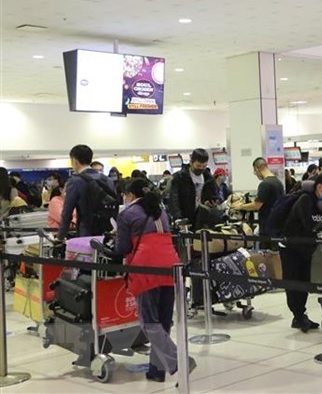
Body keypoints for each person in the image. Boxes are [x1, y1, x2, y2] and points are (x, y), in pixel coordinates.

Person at [114, 178, 195, 382]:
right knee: (163, 320)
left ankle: (179, 360)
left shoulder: (127, 214)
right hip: (171, 266)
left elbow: (122, 248)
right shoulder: (161, 212)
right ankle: (156, 370)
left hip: (146, 268)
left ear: (130, 195)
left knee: (149, 322)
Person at [280, 173, 322, 332]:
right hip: (291, 247)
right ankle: (298, 316)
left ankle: (301, 316)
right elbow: (309, 223)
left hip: (306, 247)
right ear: (320, 187)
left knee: (304, 282)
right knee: (293, 282)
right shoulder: (305, 200)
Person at [57, 145, 116, 240]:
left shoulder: (75, 181)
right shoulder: (107, 180)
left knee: (86, 254)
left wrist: (60, 237)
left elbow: (67, 213)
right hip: (106, 231)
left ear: (74, 161)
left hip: (86, 232)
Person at [231, 157, 284, 234]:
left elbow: (256, 205)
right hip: (277, 223)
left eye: (255, 172)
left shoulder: (265, 184)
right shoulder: (278, 182)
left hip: (267, 225)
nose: (256, 174)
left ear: (257, 169)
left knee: (266, 246)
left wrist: (240, 206)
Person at [168, 148, 211, 227]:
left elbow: (213, 194)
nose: (201, 168)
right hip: (186, 218)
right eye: (198, 166)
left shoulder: (208, 177)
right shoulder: (179, 177)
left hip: (203, 218)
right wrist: (178, 217)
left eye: (204, 166)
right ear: (191, 162)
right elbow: (174, 199)